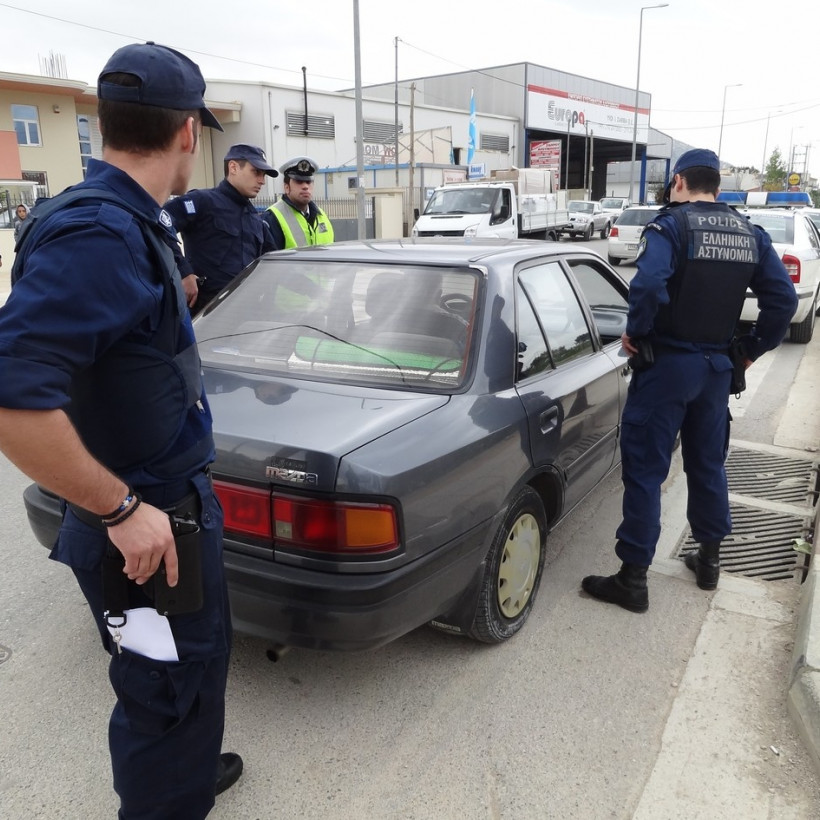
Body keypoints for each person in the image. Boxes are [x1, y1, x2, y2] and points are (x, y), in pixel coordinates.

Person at [0, 42, 243, 818]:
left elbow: (103, 357)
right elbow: (12, 399)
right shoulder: (101, 234)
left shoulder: (126, 222)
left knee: (191, 671)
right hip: (144, 527)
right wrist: (119, 510)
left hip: (165, 510)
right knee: (161, 690)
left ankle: (189, 772)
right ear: (184, 133)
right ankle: (167, 795)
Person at [581, 148, 798, 613]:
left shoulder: (671, 226)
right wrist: (749, 350)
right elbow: (782, 301)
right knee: (707, 464)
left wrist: (636, 333)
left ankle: (633, 579)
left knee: (645, 471)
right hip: (717, 371)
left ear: (678, 181)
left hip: (667, 369)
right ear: (717, 185)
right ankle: (709, 561)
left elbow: (647, 285)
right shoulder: (750, 233)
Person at [164, 143, 280, 315]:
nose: (262, 181)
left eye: (263, 175)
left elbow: (273, 262)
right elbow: (161, 223)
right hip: (204, 314)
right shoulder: (202, 201)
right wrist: (183, 272)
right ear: (233, 167)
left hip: (243, 313)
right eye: (256, 172)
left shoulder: (255, 219)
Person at [263, 156, 334, 248]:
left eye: (308, 182)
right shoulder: (272, 218)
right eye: (299, 181)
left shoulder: (321, 215)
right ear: (286, 187)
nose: (305, 186)